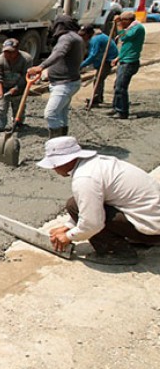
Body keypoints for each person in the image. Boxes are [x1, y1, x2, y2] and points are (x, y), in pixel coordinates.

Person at [36, 136, 160, 266]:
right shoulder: (97, 163)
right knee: (76, 204)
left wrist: (68, 237)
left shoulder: (85, 178)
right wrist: (69, 226)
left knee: (75, 207)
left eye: (54, 164)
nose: (53, 169)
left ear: (64, 161)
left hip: (153, 229)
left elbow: (92, 224)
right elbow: (94, 203)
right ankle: (142, 237)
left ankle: (117, 252)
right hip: (154, 221)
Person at [27, 14, 83, 138]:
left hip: (65, 83)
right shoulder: (75, 37)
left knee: (51, 113)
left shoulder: (67, 38)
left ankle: (57, 145)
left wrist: (41, 67)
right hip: (67, 81)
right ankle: (64, 142)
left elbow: (59, 53)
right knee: (61, 113)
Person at [110, 10, 145, 119]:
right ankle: (116, 107)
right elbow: (127, 46)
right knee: (117, 86)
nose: (121, 23)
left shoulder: (137, 28)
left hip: (130, 62)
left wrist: (118, 25)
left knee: (121, 87)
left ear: (128, 20)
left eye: (122, 20)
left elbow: (124, 37)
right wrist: (118, 57)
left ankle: (122, 111)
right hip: (124, 59)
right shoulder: (131, 28)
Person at [0, 38, 29, 132]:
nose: (8, 54)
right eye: (6, 52)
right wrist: (0, 91)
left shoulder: (26, 59)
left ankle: (18, 123)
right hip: (3, 87)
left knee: (19, 107)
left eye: (11, 52)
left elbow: (26, 76)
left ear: (17, 51)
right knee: (1, 108)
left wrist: (17, 88)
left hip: (19, 87)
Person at [78, 24, 118, 108]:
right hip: (105, 58)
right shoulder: (96, 37)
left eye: (83, 35)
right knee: (99, 78)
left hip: (109, 60)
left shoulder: (95, 39)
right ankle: (98, 97)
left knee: (98, 79)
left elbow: (93, 55)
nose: (82, 37)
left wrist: (82, 65)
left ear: (88, 34)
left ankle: (96, 99)